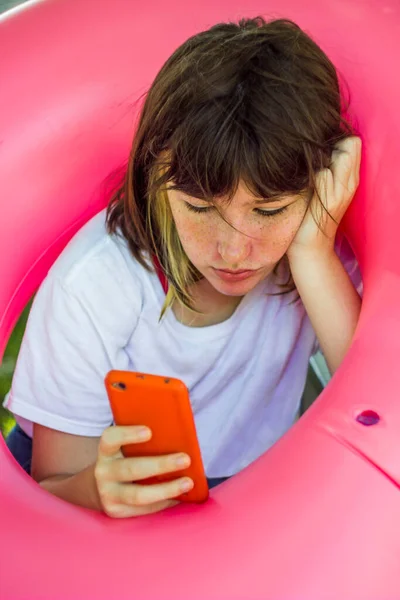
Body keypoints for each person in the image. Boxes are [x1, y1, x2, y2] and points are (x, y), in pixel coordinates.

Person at [4, 17, 363, 518]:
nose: (234, 251)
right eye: (200, 209)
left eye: (268, 211)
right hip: (98, 483)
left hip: (244, 483)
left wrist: (311, 256)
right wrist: (94, 490)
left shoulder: (314, 248)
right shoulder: (94, 286)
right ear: (156, 178)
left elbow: (378, 398)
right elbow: (51, 489)